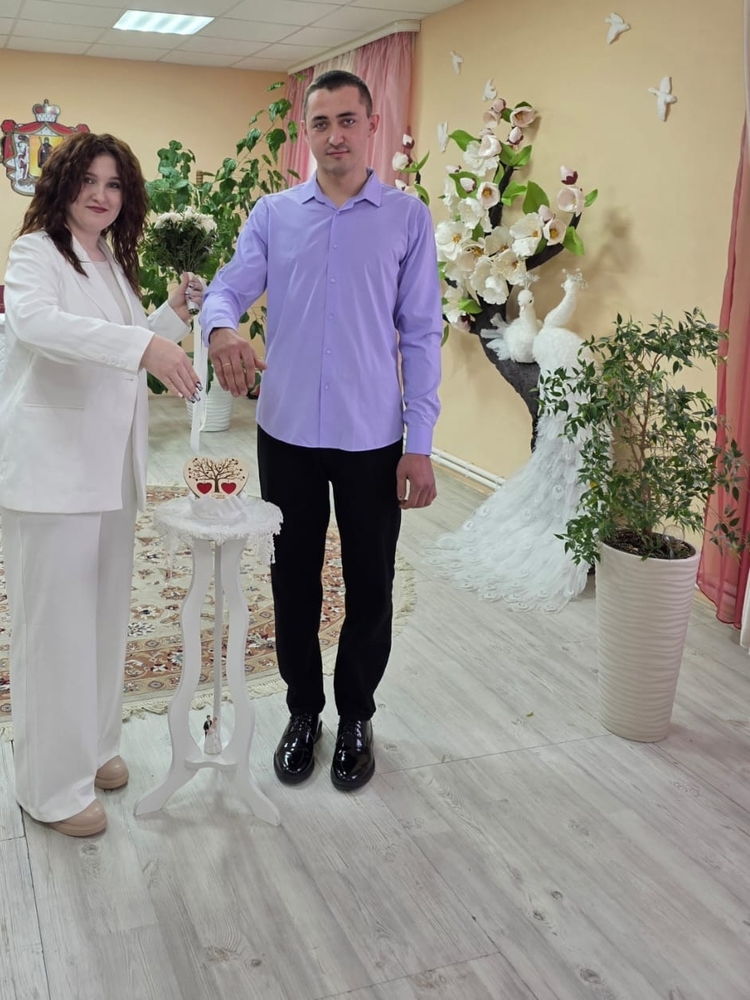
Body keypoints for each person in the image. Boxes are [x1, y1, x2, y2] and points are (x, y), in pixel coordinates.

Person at [200, 70, 443, 792]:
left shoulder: (406, 219)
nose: (333, 136)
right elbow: (226, 288)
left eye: (346, 120)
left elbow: (421, 334)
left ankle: (357, 715)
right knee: (292, 580)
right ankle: (303, 710)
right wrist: (221, 329)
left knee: (371, 583)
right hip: (286, 435)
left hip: (372, 437)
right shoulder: (274, 215)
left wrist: (420, 443)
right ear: (305, 133)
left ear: (371, 125)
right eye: (320, 123)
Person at [0, 132, 202, 837]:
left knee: (104, 618)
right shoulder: (36, 253)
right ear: (63, 184)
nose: (101, 195)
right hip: (52, 470)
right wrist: (145, 343)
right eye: (88, 180)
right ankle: (50, 787)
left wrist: (170, 317)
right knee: (54, 630)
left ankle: (94, 747)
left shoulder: (109, 260)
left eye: (114, 184)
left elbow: (126, 340)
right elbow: (40, 325)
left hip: (110, 470)